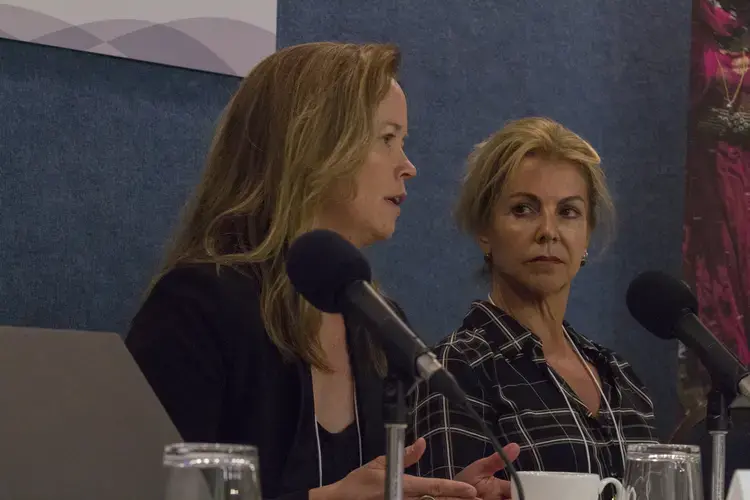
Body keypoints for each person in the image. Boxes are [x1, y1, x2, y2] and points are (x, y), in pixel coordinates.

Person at [125, 41, 518, 500]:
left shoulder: (378, 322)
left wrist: (435, 493)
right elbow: (144, 489)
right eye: (387, 139)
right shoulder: (197, 306)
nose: (408, 167)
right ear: (314, 148)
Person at [410, 117, 658, 491]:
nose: (548, 231)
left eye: (568, 212)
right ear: (484, 231)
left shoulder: (618, 375)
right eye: (524, 209)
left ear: (586, 234)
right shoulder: (455, 370)